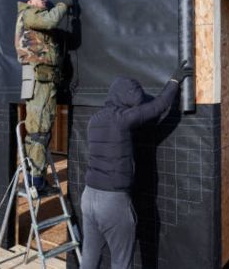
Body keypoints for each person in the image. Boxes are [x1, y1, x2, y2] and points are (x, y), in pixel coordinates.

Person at [81, 62, 193, 269]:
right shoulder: (122, 120)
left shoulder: (94, 120)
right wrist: (175, 80)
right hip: (112, 202)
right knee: (122, 262)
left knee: (89, 257)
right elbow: (160, 106)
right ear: (125, 97)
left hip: (88, 197)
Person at [15, 0, 74, 191]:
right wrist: (64, 4)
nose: (44, 1)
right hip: (41, 80)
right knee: (40, 130)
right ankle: (37, 182)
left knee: (34, 131)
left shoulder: (26, 17)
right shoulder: (30, 13)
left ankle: (33, 179)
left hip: (34, 78)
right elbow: (50, 20)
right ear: (31, 0)